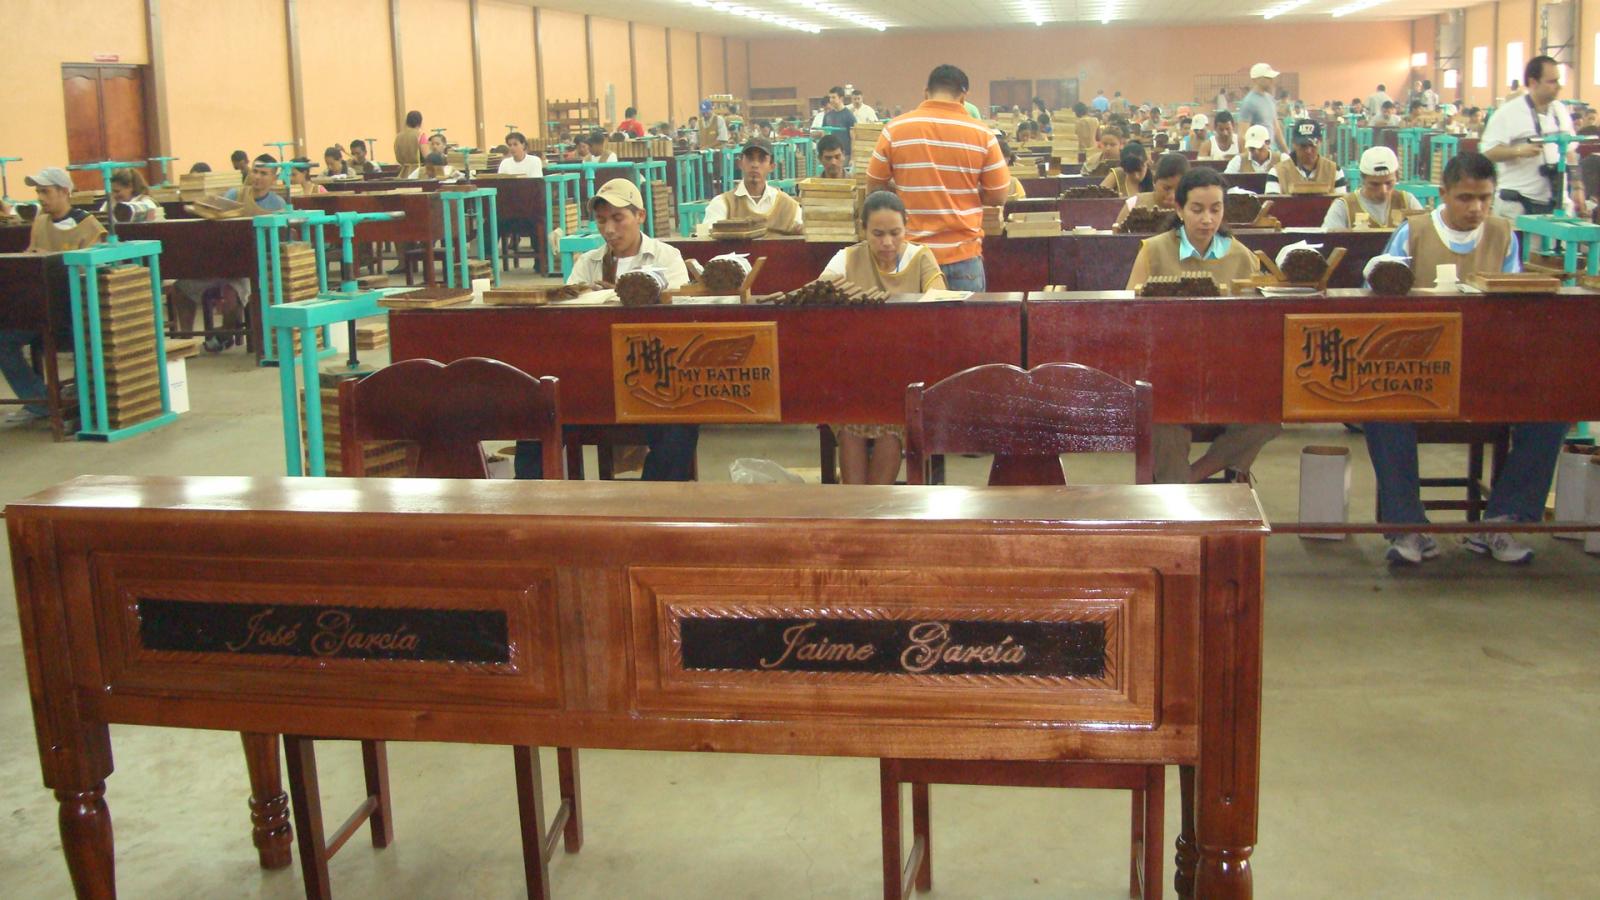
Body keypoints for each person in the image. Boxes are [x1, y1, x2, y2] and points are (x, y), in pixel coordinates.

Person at [1365, 151, 1559, 564]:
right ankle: (1408, 528)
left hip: (1488, 370)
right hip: (1416, 371)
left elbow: (1514, 310)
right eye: (1465, 198)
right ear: (1443, 195)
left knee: (1553, 412)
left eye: (1485, 199)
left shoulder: (1504, 235)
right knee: (1379, 409)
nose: (1476, 208)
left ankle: (1502, 521)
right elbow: (1381, 298)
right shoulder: (1412, 233)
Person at [1124, 167, 1274, 483]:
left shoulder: (1242, 256)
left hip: (1224, 373)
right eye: (1197, 209)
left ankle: (1193, 477)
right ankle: (1182, 504)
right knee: (1164, 422)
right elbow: (1130, 313)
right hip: (1167, 374)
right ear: (1178, 209)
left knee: (1271, 415)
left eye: (1215, 209)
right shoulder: (1153, 250)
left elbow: (1256, 324)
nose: (1207, 219)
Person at [549, 178, 696, 481]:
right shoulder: (589, 263)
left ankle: (652, 508)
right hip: (596, 377)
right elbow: (567, 320)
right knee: (538, 421)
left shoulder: (667, 258)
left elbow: (679, 318)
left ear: (640, 215)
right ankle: (530, 513)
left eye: (618, 218)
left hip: (655, 378)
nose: (609, 229)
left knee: (680, 426)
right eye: (602, 221)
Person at [818, 192, 947, 484]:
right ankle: (856, 507)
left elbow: (940, 297)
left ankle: (875, 506)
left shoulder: (920, 256)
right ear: (862, 229)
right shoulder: (847, 258)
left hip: (905, 371)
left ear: (906, 228)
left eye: (895, 233)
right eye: (877, 234)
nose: (887, 243)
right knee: (850, 423)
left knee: (893, 422)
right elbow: (818, 296)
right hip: (855, 369)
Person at [865, 65, 1009, 291]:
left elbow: (874, 188)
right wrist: (964, 195)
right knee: (964, 327)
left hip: (911, 257)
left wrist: (907, 192)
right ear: (963, 97)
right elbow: (999, 195)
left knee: (915, 326)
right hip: (964, 258)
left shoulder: (895, 129)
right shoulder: (983, 135)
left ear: (926, 92)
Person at [2, 167, 106, 423]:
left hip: (74, 314)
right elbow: (30, 257)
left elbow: (94, 273)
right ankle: (41, 402)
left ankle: (84, 403)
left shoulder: (89, 226)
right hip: (39, 310)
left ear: (64, 192)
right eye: (38, 191)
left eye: (45, 191)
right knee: (2, 341)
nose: (40, 197)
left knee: (87, 340)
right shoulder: (39, 222)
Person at [1482, 55, 1585, 217]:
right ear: (1533, 82)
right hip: (1518, 205)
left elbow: (1570, 153)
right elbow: (1488, 152)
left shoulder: (1560, 111)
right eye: (1552, 81)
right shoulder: (1509, 113)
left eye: (1558, 81)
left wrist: (1578, 187)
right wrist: (1517, 151)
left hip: (1557, 204)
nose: (1558, 86)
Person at [697, 137, 804, 236]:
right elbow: (706, 239)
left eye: (762, 159)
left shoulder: (789, 206)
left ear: (772, 166)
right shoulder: (722, 204)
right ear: (740, 163)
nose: (755, 164)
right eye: (750, 158)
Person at [1322, 146, 1421, 228]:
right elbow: (1330, 241)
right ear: (1362, 179)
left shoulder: (1407, 202)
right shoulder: (1343, 207)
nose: (1383, 190)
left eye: (1388, 183)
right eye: (1375, 184)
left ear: (1397, 177)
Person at [1266, 120, 1347, 194]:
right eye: (1303, 146)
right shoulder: (1276, 173)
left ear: (1320, 142)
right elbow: (1272, 208)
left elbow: (1341, 207)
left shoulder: (1335, 172)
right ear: (1293, 143)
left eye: (1312, 145)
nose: (1308, 150)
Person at [1114, 152, 1188, 228]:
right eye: (1166, 188)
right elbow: (1117, 235)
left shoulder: (1191, 209)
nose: (1172, 195)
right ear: (1154, 182)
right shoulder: (1134, 204)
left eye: (1179, 189)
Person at [1239, 62, 1288, 152]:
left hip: (1271, 152)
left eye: (1271, 78)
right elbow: (1243, 136)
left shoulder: (1270, 99)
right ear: (1256, 79)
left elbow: (1276, 129)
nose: (1272, 81)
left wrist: (1287, 154)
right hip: (1257, 154)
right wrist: (1246, 161)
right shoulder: (1249, 102)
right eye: (1268, 78)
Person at [100, 168, 164, 223]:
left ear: (130, 187)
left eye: (117, 191)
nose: (113, 195)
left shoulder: (147, 203)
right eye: (111, 192)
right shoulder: (110, 203)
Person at [818, 86, 857, 155]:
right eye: (830, 97)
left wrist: (852, 158)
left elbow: (853, 139)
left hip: (844, 155)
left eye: (833, 97)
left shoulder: (849, 116)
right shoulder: (827, 116)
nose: (831, 100)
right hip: (830, 154)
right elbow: (824, 134)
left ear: (841, 98)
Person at [394, 110, 424, 177]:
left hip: (403, 173)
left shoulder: (398, 136)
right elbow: (427, 156)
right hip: (417, 173)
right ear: (420, 122)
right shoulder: (421, 136)